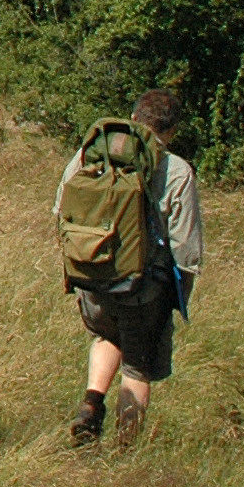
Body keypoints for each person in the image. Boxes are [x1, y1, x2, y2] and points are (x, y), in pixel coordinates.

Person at [60, 88, 203, 446]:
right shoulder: (177, 171)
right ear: (171, 131)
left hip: (92, 275)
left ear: (135, 117)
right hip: (143, 287)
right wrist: (179, 295)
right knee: (138, 366)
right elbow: (186, 248)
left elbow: (61, 212)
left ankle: (92, 404)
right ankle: (125, 452)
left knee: (106, 335)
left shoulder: (89, 154)